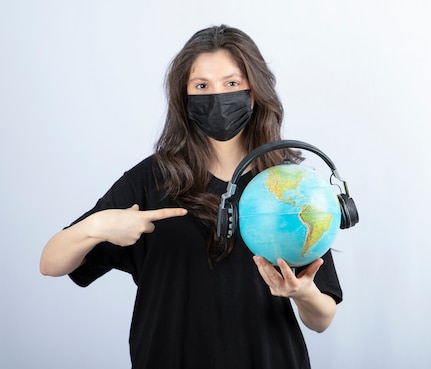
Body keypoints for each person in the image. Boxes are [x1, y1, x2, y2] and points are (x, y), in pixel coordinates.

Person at [40, 25, 342, 369]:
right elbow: (50, 264)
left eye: (231, 84)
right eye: (202, 86)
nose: (218, 97)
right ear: (185, 97)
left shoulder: (288, 186)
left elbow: (322, 319)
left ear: (254, 92)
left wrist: (303, 295)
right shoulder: (152, 178)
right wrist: (96, 226)